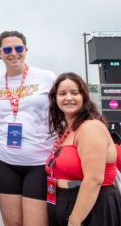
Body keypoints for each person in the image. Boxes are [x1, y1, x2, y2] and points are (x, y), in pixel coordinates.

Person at [0, 30, 56, 226]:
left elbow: (64, 111)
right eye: (7, 49)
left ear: (26, 50)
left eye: (18, 48)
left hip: (39, 162)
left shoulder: (46, 77)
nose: (13, 53)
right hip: (4, 162)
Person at [45, 72, 121, 226]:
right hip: (65, 202)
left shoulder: (90, 127)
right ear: (55, 99)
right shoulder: (67, 130)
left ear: (84, 97)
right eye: (62, 94)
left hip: (91, 207)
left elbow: (94, 179)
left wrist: (75, 220)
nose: (68, 98)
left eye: (75, 93)